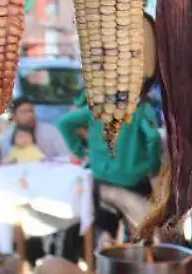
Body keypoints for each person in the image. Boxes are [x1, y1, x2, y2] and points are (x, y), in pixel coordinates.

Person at [58, 83, 162, 242]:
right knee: (142, 234)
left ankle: (104, 263)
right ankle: (134, 262)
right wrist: (154, 168)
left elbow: (64, 123)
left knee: (106, 234)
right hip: (134, 181)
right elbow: (153, 138)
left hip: (102, 181)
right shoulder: (141, 109)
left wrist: (80, 150)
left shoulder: (97, 110)